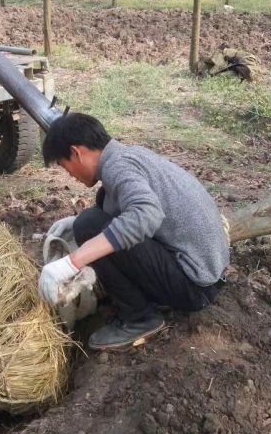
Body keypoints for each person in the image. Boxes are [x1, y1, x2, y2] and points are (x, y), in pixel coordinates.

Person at [37, 113, 230, 350]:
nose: (72, 177)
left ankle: (139, 318)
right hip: (208, 273)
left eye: (67, 170)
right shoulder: (126, 155)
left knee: (89, 226)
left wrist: (72, 262)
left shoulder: (119, 167)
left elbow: (145, 214)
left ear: (76, 152)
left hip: (195, 286)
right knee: (89, 221)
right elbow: (120, 206)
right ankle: (144, 299)